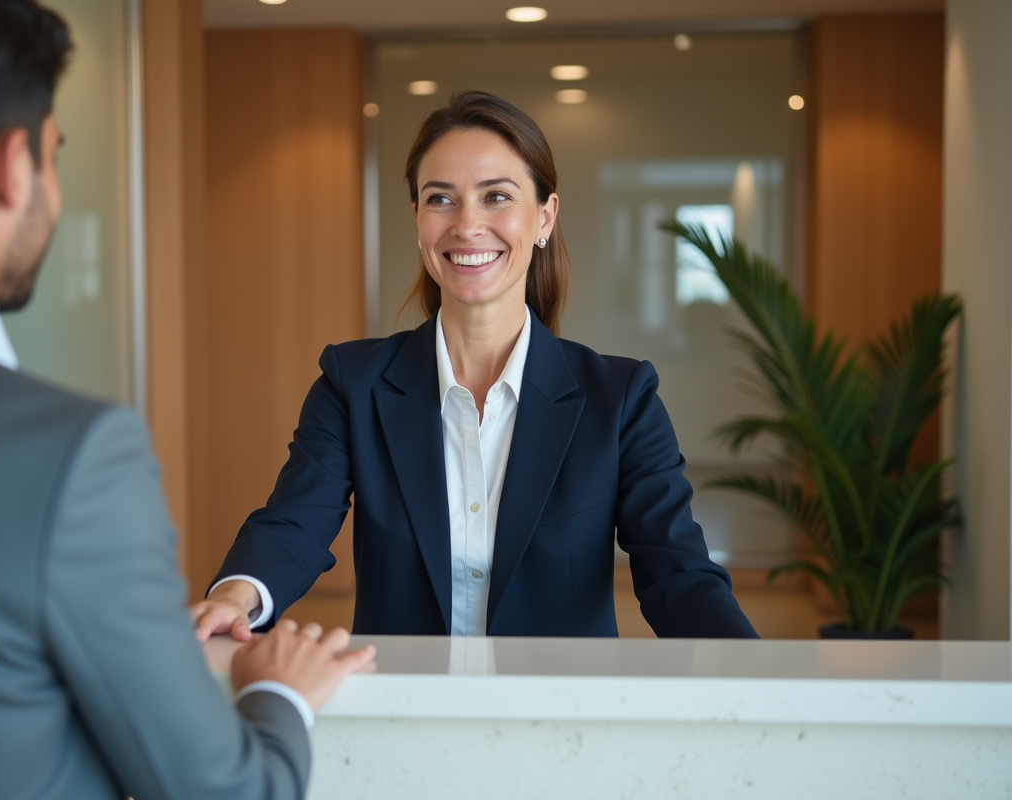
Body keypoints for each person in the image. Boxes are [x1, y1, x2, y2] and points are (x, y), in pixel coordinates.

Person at [0, 2, 374, 799]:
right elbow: (226, 792)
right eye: (56, 155)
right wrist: (280, 694)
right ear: (15, 165)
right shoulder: (69, 454)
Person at [193, 90, 758, 641]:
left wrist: (754, 674)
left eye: (497, 196)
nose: (466, 225)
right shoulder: (353, 384)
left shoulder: (621, 399)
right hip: (405, 708)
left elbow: (676, 569)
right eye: (440, 198)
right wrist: (234, 596)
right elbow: (296, 521)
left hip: (559, 714)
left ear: (545, 217)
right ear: (417, 217)